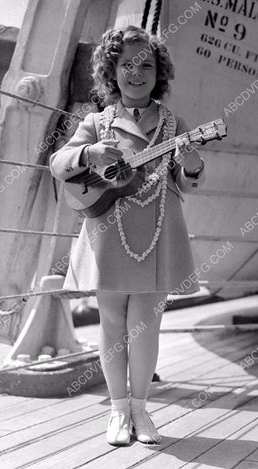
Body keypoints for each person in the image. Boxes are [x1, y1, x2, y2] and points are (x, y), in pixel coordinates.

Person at [50, 25, 205, 446]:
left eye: (147, 66)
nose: (137, 73)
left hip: (157, 235)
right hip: (107, 232)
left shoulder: (176, 124)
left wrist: (190, 161)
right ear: (111, 70)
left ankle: (141, 409)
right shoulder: (97, 121)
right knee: (112, 323)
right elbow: (58, 163)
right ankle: (118, 411)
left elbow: (189, 183)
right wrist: (90, 153)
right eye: (127, 65)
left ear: (160, 73)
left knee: (146, 326)